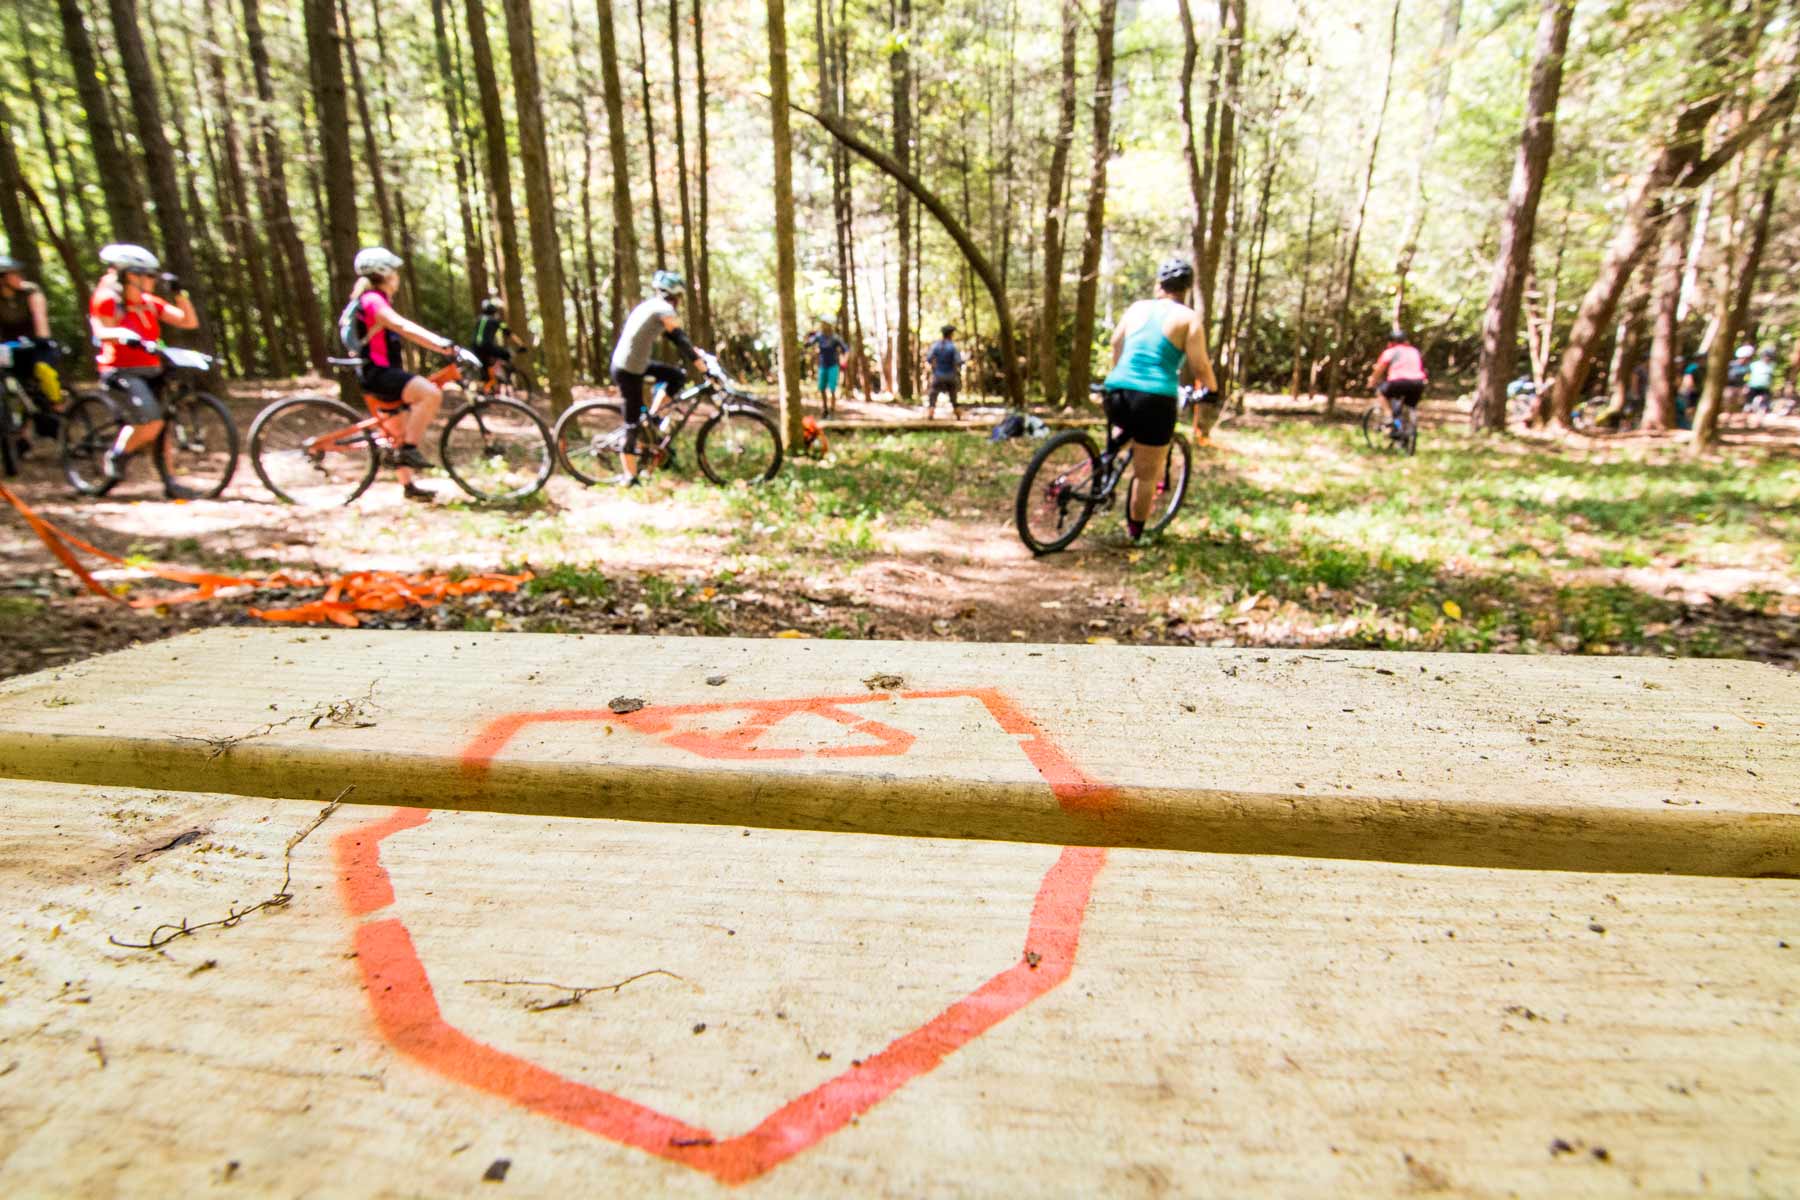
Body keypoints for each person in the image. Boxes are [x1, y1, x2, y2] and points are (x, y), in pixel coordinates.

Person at [1100, 257, 1216, 543]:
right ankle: (1137, 534)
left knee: (1121, 435)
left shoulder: (1138, 308)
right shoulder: (1188, 318)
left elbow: (1116, 343)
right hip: (1155, 398)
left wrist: (1120, 373)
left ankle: (1102, 478)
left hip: (1117, 390)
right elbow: (1200, 365)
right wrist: (1213, 390)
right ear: (1186, 290)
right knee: (1146, 474)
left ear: (1158, 285)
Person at [339, 246, 459, 501]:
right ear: (383, 272)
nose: (397, 276)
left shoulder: (374, 299)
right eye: (394, 271)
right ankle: (409, 451)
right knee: (429, 394)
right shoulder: (373, 300)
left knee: (398, 433)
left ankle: (409, 487)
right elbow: (401, 326)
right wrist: (441, 344)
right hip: (378, 373)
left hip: (380, 373)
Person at [87, 243, 199, 494]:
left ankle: (170, 482)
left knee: (162, 428)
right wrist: (121, 334)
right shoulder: (107, 301)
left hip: (152, 370)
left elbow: (188, 321)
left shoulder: (149, 303)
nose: (152, 280)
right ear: (129, 275)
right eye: (147, 275)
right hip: (121, 371)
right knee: (152, 421)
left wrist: (179, 293)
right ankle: (117, 455)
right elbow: (100, 332)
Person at [609, 270, 710, 485]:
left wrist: (696, 353)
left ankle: (654, 417)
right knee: (632, 423)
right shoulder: (663, 308)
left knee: (676, 377)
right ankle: (630, 475)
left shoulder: (650, 306)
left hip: (637, 365)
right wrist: (700, 364)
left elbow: (676, 336)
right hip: (628, 370)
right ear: (675, 296)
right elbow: (678, 338)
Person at [0, 254, 61, 447]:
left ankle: (59, 411)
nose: (19, 277)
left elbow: (40, 317)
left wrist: (42, 339)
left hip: (36, 344)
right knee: (15, 388)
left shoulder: (30, 291)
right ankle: (21, 435)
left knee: (45, 371)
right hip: (9, 349)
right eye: (14, 274)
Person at [1369, 327, 1428, 435]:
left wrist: (1372, 380)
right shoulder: (1414, 351)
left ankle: (1388, 416)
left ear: (1391, 342)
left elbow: (1380, 368)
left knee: (1380, 392)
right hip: (1418, 383)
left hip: (1398, 382)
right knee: (1409, 405)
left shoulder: (1390, 351)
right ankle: (1406, 428)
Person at [804, 319, 849, 415]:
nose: (824, 326)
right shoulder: (819, 336)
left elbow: (846, 349)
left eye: (825, 324)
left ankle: (832, 409)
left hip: (833, 366)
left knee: (832, 388)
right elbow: (809, 343)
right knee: (822, 388)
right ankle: (825, 409)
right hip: (822, 366)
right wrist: (806, 342)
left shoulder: (835, 338)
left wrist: (844, 359)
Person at [470, 297, 519, 382]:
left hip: (474, 347)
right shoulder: (495, 320)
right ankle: (505, 376)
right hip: (487, 346)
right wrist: (521, 344)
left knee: (485, 368)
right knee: (507, 354)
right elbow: (509, 332)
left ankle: (488, 385)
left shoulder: (479, 319)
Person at [922, 325, 965, 419]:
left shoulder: (936, 346)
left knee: (933, 394)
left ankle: (931, 411)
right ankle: (957, 414)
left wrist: (935, 367)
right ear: (951, 335)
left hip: (938, 375)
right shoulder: (952, 347)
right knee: (953, 394)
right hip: (951, 375)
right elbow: (959, 361)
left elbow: (929, 359)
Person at [1745, 347, 1776, 413]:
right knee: (1748, 405)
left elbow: (1771, 377)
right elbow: (1747, 375)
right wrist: (1746, 385)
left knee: (1764, 404)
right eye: (1766, 356)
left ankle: (1760, 417)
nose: (1767, 358)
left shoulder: (1772, 366)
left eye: (1769, 356)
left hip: (1765, 388)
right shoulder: (1754, 365)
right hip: (1753, 386)